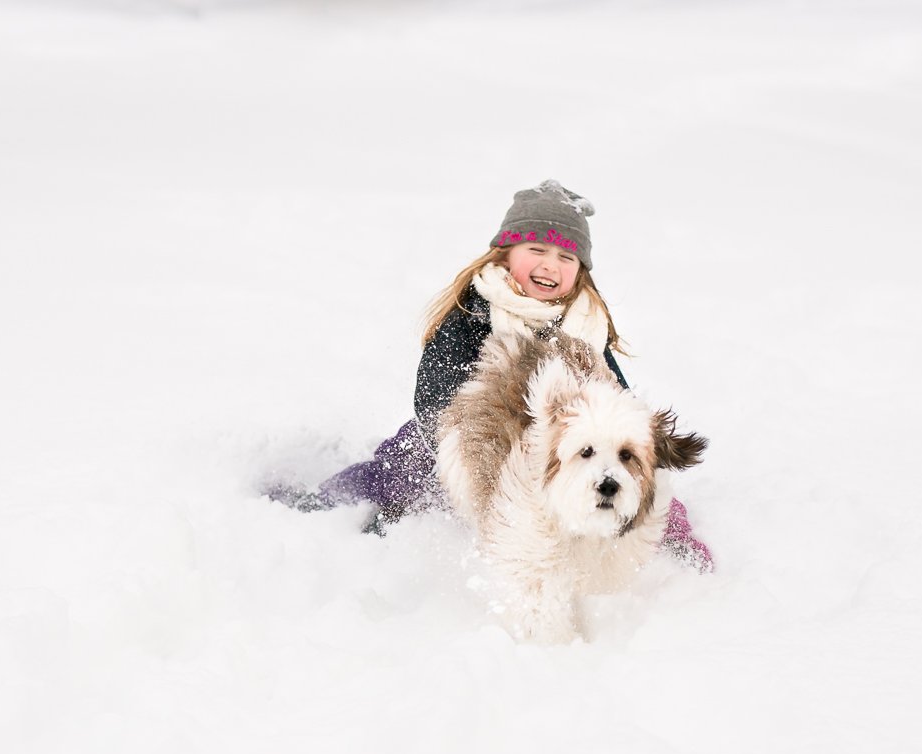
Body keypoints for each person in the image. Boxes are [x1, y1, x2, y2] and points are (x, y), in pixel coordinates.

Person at [267, 180, 713, 572]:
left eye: (566, 257)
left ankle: (680, 552)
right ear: (506, 253)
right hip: (461, 434)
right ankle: (327, 507)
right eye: (536, 250)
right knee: (396, 470)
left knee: (645, 491)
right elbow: (434, 394)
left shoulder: (585, 324)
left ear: (581, 271)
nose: (550, 266)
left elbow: (616, 401)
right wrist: (476, 437)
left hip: (560, 446)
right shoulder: (474, 311)